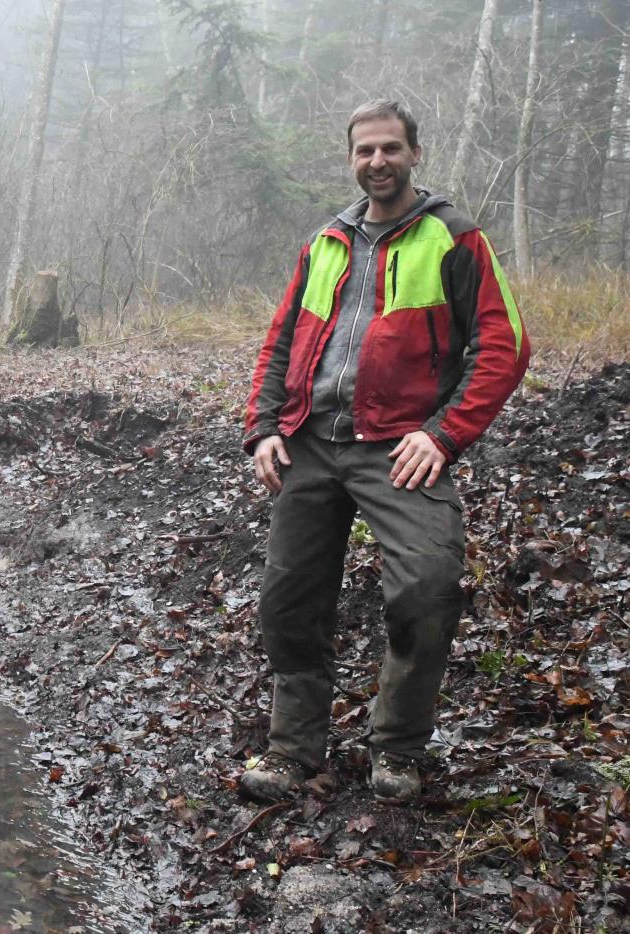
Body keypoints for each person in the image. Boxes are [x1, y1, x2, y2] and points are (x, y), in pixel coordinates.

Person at [239, 99, 529, 804]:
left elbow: (506, 345)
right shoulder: (326, 242)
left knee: (429, 589)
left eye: (390, 149)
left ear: (414, 154)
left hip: (400, 445)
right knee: (289, 601)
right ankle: (293, 751)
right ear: (350, 158)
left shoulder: (453, 237)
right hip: (310, 441)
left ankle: (396, 750)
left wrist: (444, 432)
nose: (377, 162)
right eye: (365, 150)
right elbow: (281, 343)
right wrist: (264, 427)